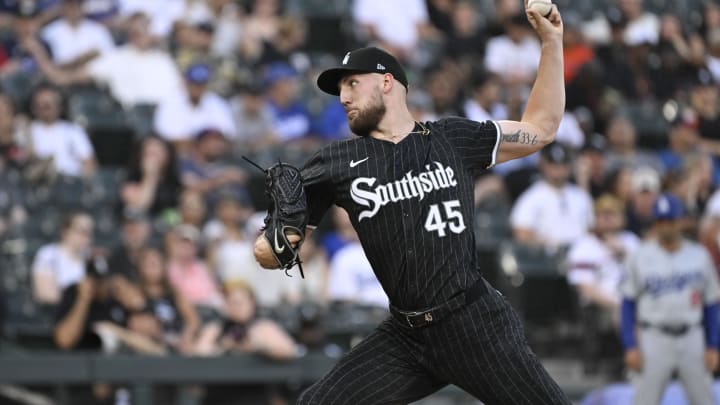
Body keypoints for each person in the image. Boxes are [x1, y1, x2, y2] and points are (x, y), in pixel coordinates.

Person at [254, 2, 572, 403]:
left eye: (352, 83)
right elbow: (269, 252)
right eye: (339, 90)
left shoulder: (451, 138)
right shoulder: (335, 163)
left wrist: (551, 41)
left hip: (474, 323)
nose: (342, 97)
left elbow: (540, 129)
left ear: (387, 82)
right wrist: (279, 241)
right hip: (405, 337)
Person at [620, 193, 720, 405]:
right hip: (654, 337)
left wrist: (712, 345)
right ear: (655, 223)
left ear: (681, 221)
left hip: (693, 335)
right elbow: (628, 303)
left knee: (704, 400)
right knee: (644, 401)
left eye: (671, 220)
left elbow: (711, 304)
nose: (666, 226)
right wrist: (630, 346)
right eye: (661, 221)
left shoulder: (699, 255)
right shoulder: (639, 256)